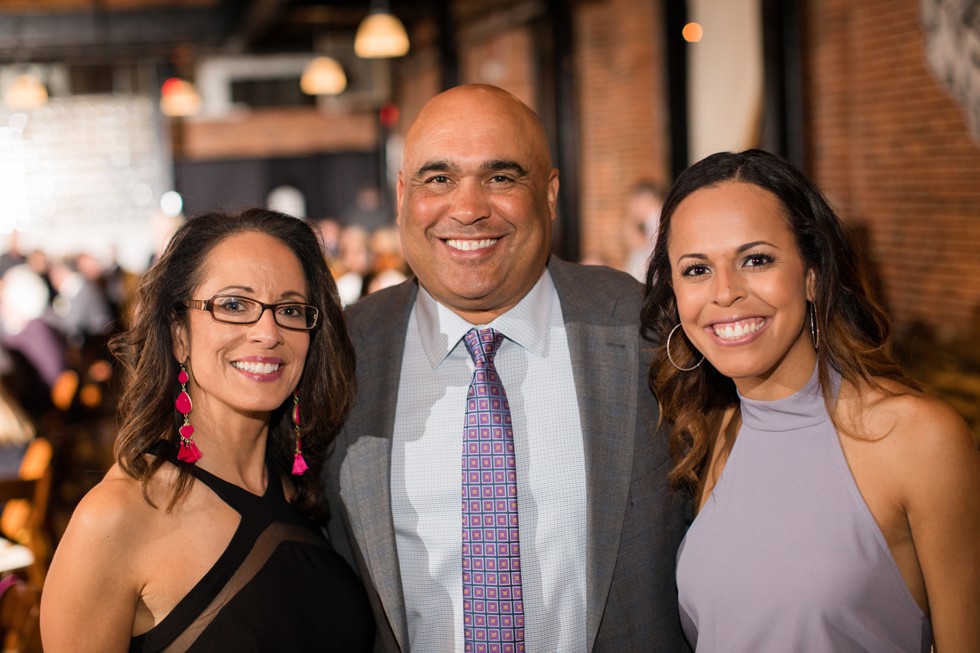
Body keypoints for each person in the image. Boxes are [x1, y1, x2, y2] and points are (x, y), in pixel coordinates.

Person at [324, 84, 687, 652]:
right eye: (438, 178)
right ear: (402, 195)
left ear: (549, 192)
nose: (468, 209)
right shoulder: (339, 357)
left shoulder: (648, 334)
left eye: (501, 177)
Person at [641, 149, 980, 652]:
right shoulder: (712, 433)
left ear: (812, 274)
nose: (725, 292)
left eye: (756, 259)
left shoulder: (917, 438)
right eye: (696, 270)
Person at [41, 209, 374, 652]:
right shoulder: (115, 519)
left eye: (290, 309)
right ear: (179, 333)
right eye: (234, 305)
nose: (268, 332)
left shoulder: (314, 487)